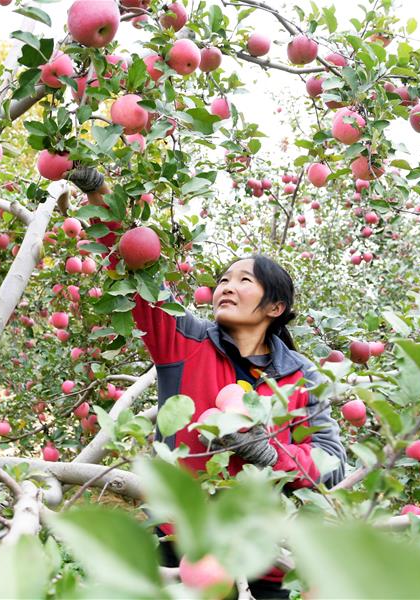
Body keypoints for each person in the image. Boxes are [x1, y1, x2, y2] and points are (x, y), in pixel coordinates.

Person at [66, 169, 347, 597]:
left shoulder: (300, 376)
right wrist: (101, 197)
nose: (226, 288)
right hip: (185, 550)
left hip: (267, 556)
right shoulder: (186, 342)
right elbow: (138, 272)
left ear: (276, 306)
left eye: (243, 280)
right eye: (222, 281)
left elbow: (332, 465)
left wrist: (268, 451)